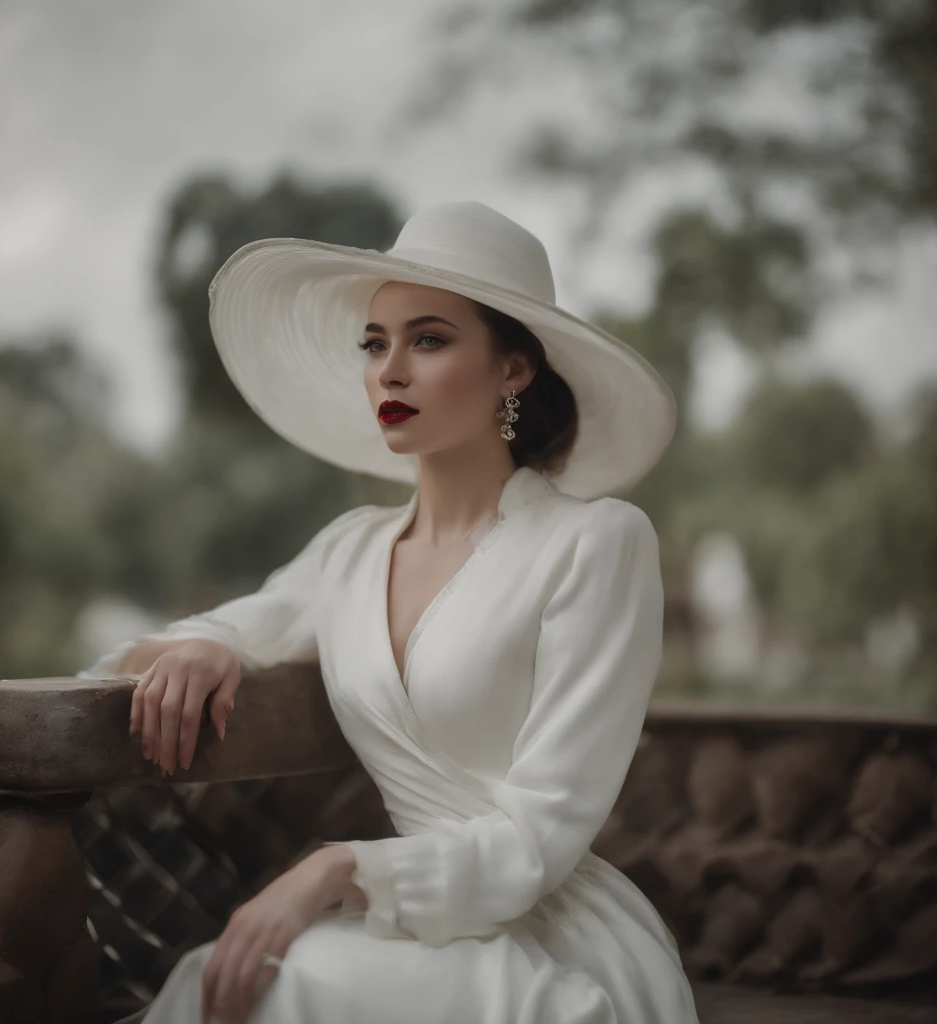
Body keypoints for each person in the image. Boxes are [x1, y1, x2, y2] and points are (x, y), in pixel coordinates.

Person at [81, 201, 699, 1023]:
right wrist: (205, 646)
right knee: (221, 978)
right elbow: (239, 622)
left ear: (513, 369)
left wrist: (336, 871)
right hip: (394, 926)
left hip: (545, 934)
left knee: (270, 984)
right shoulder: (351, 551)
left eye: (429, 339)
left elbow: (539, 838)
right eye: (375, 343)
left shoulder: (598, 543)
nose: (390, 370)